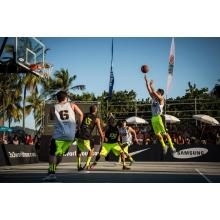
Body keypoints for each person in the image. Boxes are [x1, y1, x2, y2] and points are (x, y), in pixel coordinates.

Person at [43, 91, 83, 182]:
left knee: (52, 154)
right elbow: (81, 114)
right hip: (70, 136)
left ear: (57, 99)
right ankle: (51, 170)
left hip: (59, 134)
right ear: (66, 98)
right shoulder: (72, 105)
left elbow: (51, 118)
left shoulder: (53, 108)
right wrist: (79, 126)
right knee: (59, 154)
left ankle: (52, 173)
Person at [144, 75, 176, 154]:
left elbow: (154, 92)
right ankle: (164, 146)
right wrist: (146, 82)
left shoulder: (161, 99)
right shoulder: (154, 98)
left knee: (165, 133)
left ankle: (172, 146)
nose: (156, 93)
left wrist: (152, 86)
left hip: (159, 117)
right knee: (157, 134)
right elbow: (149, 90)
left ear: (160, 94)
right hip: (153, 118)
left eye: (158, 92)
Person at [76, 104, 104, 171]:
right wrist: (102, 137)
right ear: (96, 110)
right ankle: (88, 165)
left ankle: (78, 165)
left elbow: (78, 123)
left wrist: (79, 128)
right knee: (91, 149)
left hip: (79, 133)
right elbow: (99, 129)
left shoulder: (84, 115)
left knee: (79, 149)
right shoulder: (97, 119)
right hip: (87, 134)